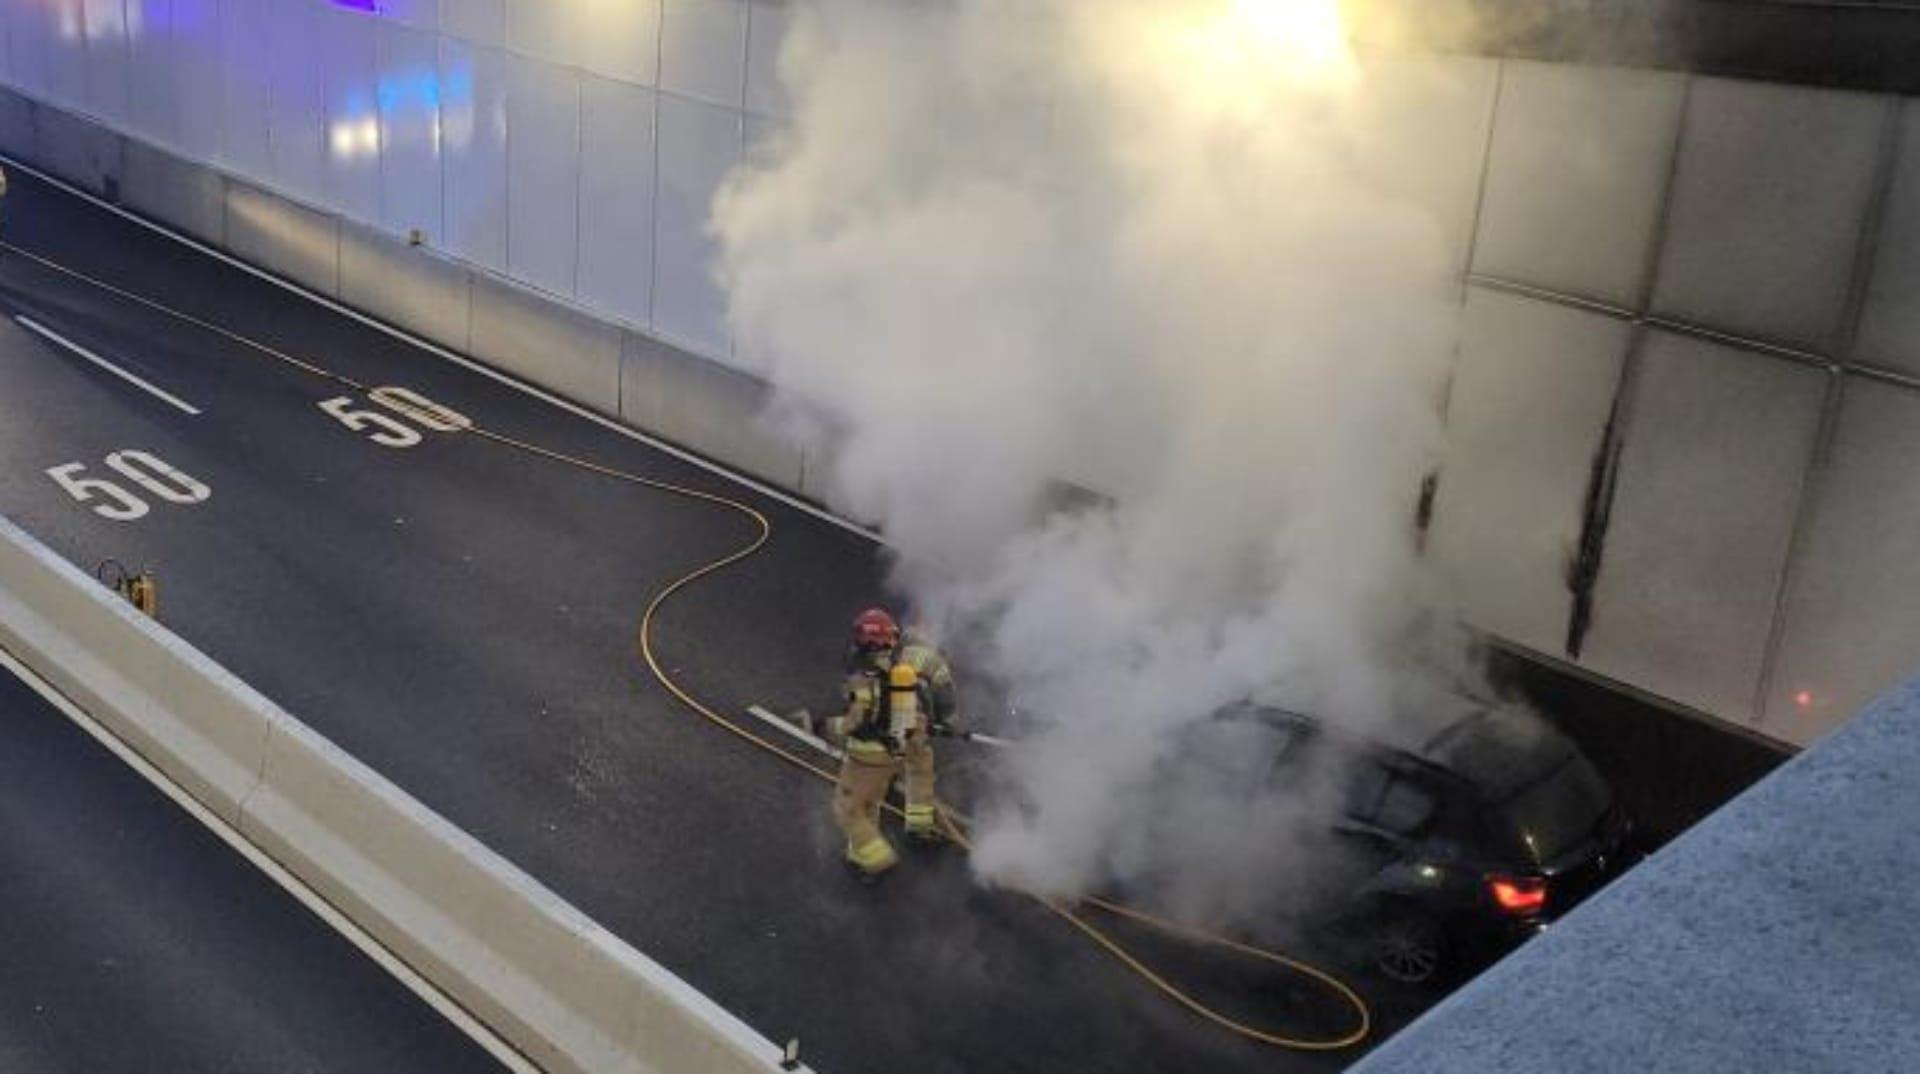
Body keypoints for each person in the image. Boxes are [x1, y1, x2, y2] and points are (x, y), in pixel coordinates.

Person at [825, 607, 958, 881]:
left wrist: (827, 727)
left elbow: (857, 710)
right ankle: (919, 827)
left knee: (862, 800)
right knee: (919, 771)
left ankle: (866, 856)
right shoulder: (927, 657)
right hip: (914, 726)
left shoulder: (861, 663)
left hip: (879, 743)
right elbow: (944, 693)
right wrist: (947, 722)